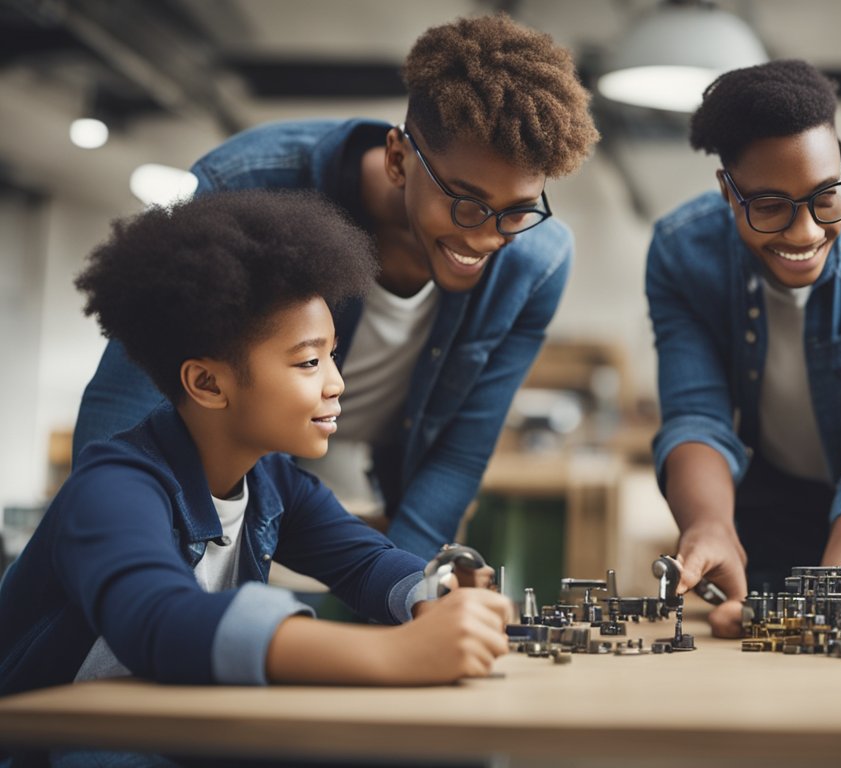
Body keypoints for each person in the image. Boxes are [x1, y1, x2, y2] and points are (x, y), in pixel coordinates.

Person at [71, 14, 600, 559]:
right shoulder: (251, 187)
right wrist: (106, 545)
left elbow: (460, 451)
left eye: (516, 211)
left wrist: (407, 593)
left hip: (366, 492)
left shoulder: (535, 261)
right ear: (398, 158)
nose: (489, 237)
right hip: (226, 475)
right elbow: (131, 396)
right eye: (466, 203)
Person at [0, 190, 512, 708]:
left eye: (331, 356)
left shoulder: (273, 481)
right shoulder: (113, 488)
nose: (336, 383)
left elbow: (363, 562)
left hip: (170, 721)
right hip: (52, 741)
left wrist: (435, 598)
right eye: (308, 363)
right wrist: (395, 655)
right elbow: (161, 621)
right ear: (208, 383)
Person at [645, 60, 841, 636]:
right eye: (769, 206)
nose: (806, 232)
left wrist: (827, 594)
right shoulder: (682, 254)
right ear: (728, 193)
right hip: (753, 507)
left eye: (826, 196)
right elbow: (696, 417)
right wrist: (708, 526)